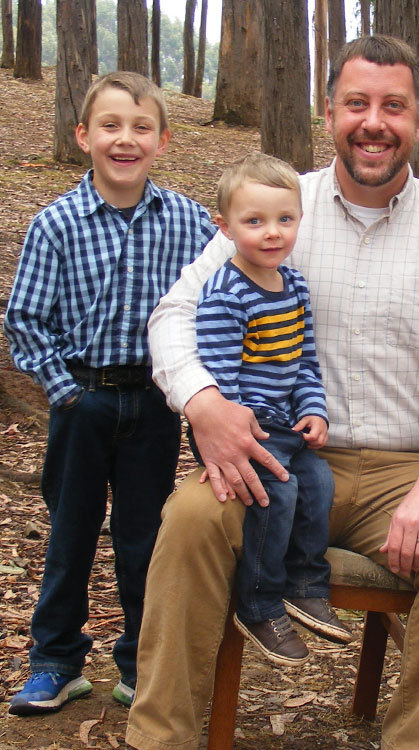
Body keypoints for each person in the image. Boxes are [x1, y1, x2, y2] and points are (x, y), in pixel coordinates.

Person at [125, 35, 419, 750]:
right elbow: (174, 314)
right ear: (328, 113)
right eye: (356, 104)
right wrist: (204, 404)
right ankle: (159, 739)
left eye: (393, 107)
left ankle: (416, 742)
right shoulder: (274, 208)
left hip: (405, 470)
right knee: (193, 521)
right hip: (276, 453)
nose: (374, 123)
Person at [4, 72, 216, 715]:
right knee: (70, 533)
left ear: (163, 140)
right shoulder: (56, 223)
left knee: (144, 538)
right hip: (83, 400)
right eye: (111, 126)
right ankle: (56, 661)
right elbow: (25, 319)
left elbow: (216, 302)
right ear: (83, 135)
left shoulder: (187, 222)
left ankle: (139, 663)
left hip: (153, 404)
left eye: (141, 127)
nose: (126, 140)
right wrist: (64, 392)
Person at [193, 152, 349, 665]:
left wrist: (314, 410)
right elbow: (219, 379)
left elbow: (304, 361)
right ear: (225, 227)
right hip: (244, 425)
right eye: (254, 221)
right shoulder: (226, 294)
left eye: (285, 219)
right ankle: (259, 603)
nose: (272, 232)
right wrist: (237, 433)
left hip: (284, 422)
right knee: (277, 494)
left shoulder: (294, 286)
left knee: (318, 483)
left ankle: (306, 584)